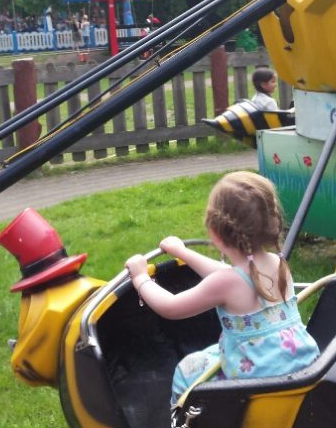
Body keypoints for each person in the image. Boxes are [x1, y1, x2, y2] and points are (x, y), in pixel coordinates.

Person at [125, 171, 320, 405]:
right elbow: (230, 274)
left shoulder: (226, 283)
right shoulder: (278, 264)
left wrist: (140, 278)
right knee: (212, 355)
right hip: (301, 364)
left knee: (186, 371)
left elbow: (170, 307)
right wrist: (184, 253)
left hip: (257, 379)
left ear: (215, 234)